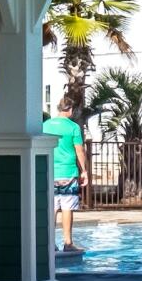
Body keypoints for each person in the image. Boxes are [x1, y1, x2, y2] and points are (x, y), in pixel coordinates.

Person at [46, 92, 87, 255]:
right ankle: (68, 243)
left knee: (51, 208)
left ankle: (49, 243)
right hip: (68, 172)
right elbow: (79, 150)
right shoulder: (73, 127)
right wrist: (84, 170)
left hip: (49, 172)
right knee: (67, 207)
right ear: (69, 110)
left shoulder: (45, 125)